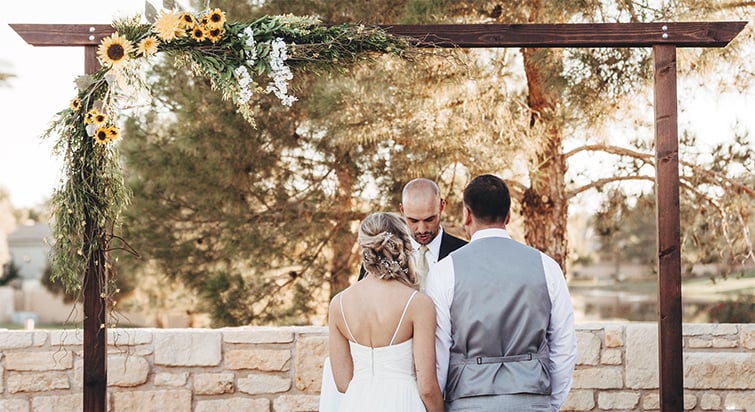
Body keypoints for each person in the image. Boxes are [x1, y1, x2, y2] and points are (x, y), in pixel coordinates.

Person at [424, 174, 577, 411]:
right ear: (508, 215)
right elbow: (564, 345)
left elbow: (439, 351)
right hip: (533, 400)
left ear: (466, 214)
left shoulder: (444, 271)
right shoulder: (547, 266)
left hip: (467, 401)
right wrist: (550, 403)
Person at [327, 212, 444, 412]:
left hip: (356, 402)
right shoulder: (417, 304)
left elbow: (342, 382)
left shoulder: (338, 304)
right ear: (403, 245)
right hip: (403, 402)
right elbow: (427, 388)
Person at [359, 178, 467, 289]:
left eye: (429, 219)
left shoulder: (464, 253)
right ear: (402, 209)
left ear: (442, 206)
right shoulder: (381, 254)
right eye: (413, 221)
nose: (422, 229)